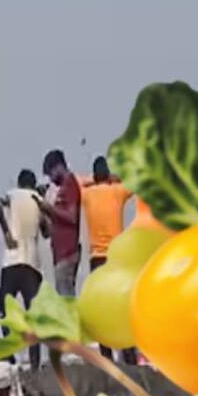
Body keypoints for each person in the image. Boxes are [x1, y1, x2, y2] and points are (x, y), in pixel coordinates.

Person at [81, 156, 137, 364]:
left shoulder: (87, 194)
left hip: (97, 260)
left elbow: (73, 183)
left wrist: (91, 180)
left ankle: (107, 358)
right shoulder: (117, 192)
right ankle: (130, 357)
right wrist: (116, 178)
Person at [0, 170, 47, 370]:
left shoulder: (12, 195)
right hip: (32, 264)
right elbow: (47, 232)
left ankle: (10, 355)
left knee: (4, 308)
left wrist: (6, 232)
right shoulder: (37, 198)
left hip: (11, 262)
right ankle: (34, 363)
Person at [37, 149, 82, 297]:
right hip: (59, 255)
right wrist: (43, 211)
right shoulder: (62, 190)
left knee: (66, 301)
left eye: (50, 173)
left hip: (67, 254)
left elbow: (72, 217)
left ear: (58, 167)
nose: (50, 179)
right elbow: (48, 231)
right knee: (63, 299)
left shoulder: (70, 184)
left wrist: (49, 209)